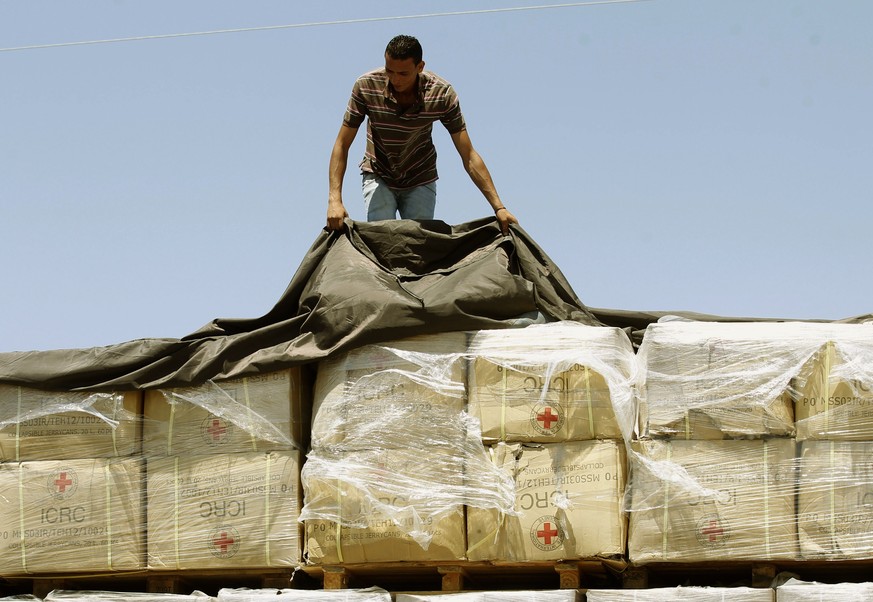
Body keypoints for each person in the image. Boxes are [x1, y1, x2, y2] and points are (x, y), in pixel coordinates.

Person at [326, 34, 518, 234]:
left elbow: (468, 154)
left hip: (420, 176)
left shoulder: (441, 94)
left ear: (420, 67)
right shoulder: (367, 86)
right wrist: (334, 200)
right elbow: (342, 143)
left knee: (418, 246)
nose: (395, 79)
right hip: (379, 173)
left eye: (403, 73)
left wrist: (499, 207)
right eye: (389, 71)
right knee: (381, 238)